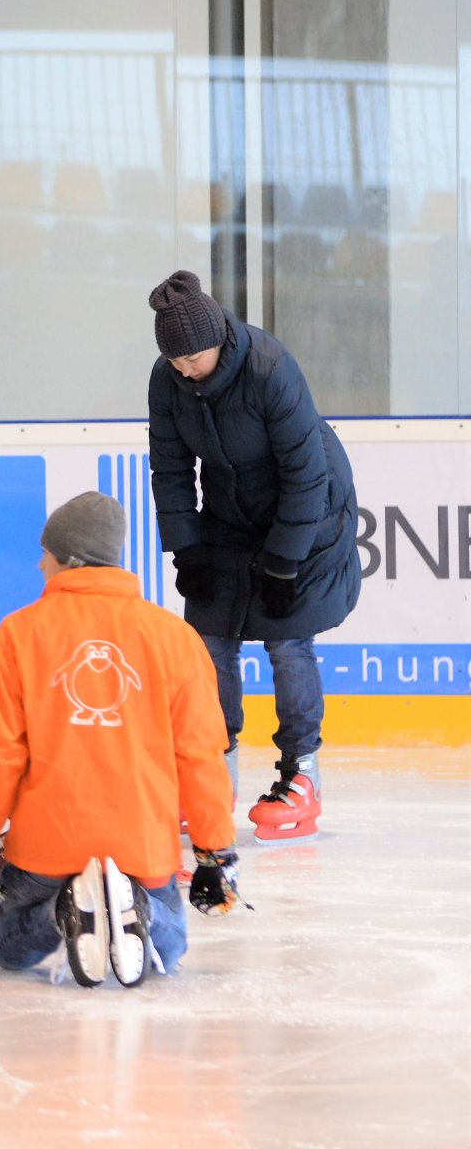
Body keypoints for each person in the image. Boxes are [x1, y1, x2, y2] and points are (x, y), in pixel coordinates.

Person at [0, 492, 241, 988]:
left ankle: (60, 913)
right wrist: (215, 854)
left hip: (46, 848)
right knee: (169, 948)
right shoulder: (176, 638)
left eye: (46, 551)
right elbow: (200, 756)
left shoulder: (18, 635)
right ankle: (139, 905)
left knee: (1, 945)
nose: (40, 562)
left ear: (69, 558)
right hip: (142, 847)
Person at [147, 269, 361, 842]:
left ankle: (302, 773)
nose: (186, 368)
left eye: (194, 356)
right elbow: (169, 469)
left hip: (308, 513)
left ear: (218, 337)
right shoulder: (167, 383)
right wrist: (186, 548)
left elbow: (306, 473)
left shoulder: (270, 369)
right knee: (209, 641)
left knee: (288, 641)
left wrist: (285, 560)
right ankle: (211, 772)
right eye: (176, 360)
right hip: (228, 516)